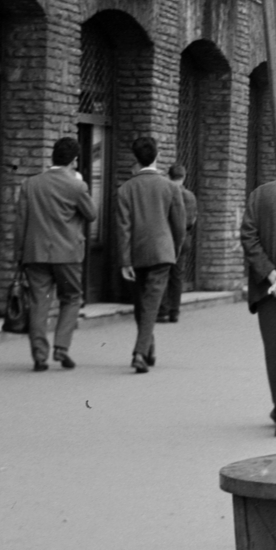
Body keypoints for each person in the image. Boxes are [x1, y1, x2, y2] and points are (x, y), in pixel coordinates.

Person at [13, 136, 96, 372]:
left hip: (35, 253)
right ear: (74, 161)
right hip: (68, 254)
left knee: (40, 302)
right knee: (71, 298)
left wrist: (19, 254)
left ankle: (39, 355)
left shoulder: (30, 184)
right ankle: (61, 347)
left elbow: (20, 222)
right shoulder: (77, 186)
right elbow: (91, 214)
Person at [115, 136, 186, 374]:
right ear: (157, 157)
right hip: (162, 253)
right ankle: (140, 352)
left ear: (136, 159)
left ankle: (146, 350)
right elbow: (179, 225)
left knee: (141, 304)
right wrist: (174, 250)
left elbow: (123, 228)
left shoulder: (125, 189)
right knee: (151, 304)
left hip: (136, 253)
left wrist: (125, 260)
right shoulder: (170, 187)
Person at [241, 178, 276, 436]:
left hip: (267, 287)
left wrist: (270, 272)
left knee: (273, 348)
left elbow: (248, 236)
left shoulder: (260, 194)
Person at [156, 165, 199, 324]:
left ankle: (162, 310)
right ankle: (174, 311)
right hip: (184, 238)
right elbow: (193, 218)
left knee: (162, 274)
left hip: (166, 238)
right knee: (177, 276)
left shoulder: (166, 193)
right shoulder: (190, 196)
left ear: (169, 175)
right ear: (184, 176)